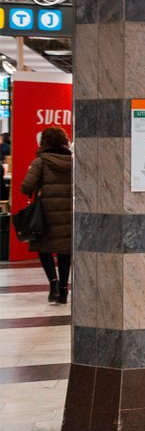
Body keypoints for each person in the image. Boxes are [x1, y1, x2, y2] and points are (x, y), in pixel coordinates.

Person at [21, 126, 72, 304]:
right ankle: (64, 290)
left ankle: (53, 284)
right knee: (65, 250)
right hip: (68, 213)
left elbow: (26, 186)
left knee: (43, 248)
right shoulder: (73, 162)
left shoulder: (40, 162)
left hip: (46, 214)